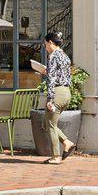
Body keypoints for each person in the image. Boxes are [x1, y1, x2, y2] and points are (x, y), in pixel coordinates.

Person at [30, 33, 75, 163]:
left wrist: (50, 99)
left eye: (45, 44)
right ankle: (67, 142)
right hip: (66, 92)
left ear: (50, 42)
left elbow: (52, 79)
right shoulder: (65, 56)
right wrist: (47, 71)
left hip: (57, 92)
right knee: (47, 122)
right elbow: (62, 75)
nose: (45, 47)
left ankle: (56, 157)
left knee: (50, 124)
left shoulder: (53, 56)